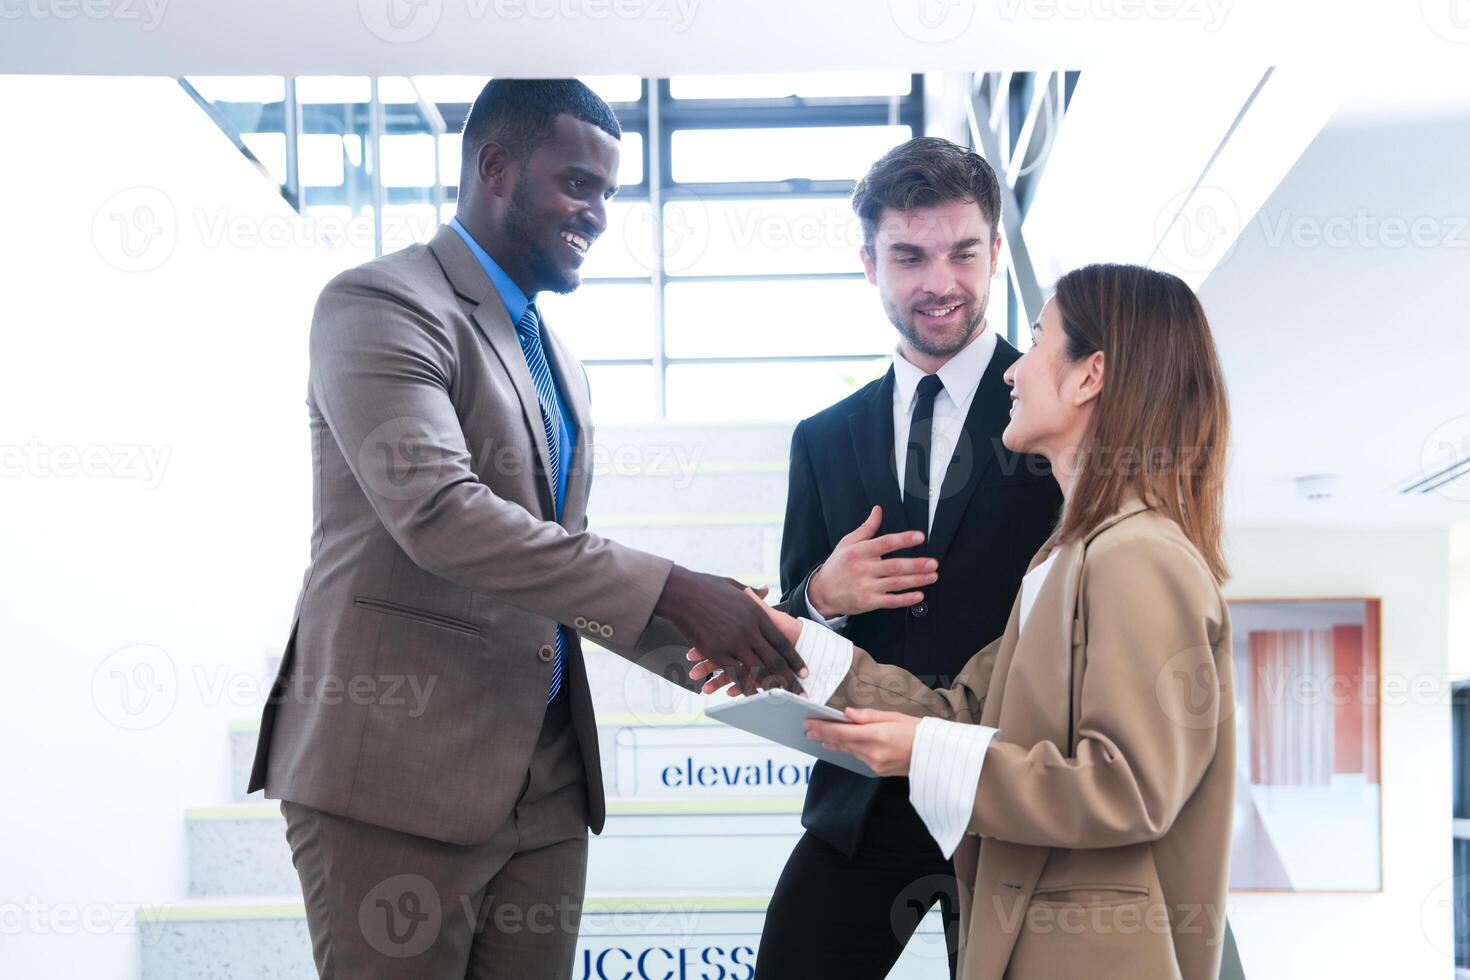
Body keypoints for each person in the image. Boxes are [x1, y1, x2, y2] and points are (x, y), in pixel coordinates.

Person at [247, 78, 806, 979]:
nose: (597, 214)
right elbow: (441, 516)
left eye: (609, 195)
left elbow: (553, 569)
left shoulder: (559, 359)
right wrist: (677, 591)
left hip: (545, 788)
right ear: (494, 167)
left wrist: (728, 640)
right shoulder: (378, 304)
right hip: (397, 778)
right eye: (578, 184)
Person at [693, 263, 1238, 979]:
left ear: (1089, 376)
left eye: (1040, 341)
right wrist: (801, 642)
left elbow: (1126, 787)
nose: (1014, 371)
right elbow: (967, 711)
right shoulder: (1071, 556)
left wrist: (922, 752)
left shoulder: (1137, 556)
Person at [757, 136, 1061, 979]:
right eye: (909, 255)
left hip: (1004, 794)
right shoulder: (822, 439)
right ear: (869, 263)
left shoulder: (1058, 415)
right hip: (863, 796)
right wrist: (820, 592)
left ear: (996, 250)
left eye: (964, 251)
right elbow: (787, 620)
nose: (940, 281)